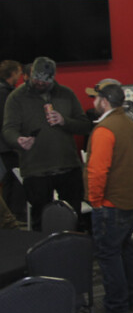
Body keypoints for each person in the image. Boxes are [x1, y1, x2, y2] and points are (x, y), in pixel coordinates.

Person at [1, 57, 91, 229]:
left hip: (68, 166)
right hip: (36, 170)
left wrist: (64, 121)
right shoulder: (16, 97)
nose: (40, 83)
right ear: (30, 74)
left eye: (44, 81)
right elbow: (8, 129)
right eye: (36, 79)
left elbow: (85, 126)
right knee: (40, 221)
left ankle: (73, 245)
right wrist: (18, 140)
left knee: (74, 218)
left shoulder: (66, 94)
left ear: (53, 77)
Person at [84, 78, 133, 313]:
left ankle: (116, 304)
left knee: (109, 254)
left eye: (95, 98)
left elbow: (97, 171)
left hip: (111, 204)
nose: (93, 101)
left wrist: (95, 201)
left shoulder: (104, 130)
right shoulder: (130, 124)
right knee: (129, 252)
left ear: (104, 102)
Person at [0, 59, 27, 220]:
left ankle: (10, 215)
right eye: (19, 72)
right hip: (7, 144)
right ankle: (16, 213)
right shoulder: (6, 94)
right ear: (13, 73)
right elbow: (8, 121)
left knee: (9, 179)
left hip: (4, 145)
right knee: (17, 177)